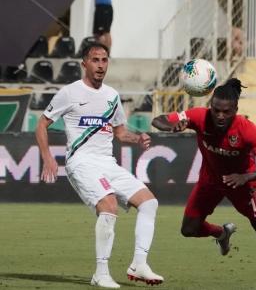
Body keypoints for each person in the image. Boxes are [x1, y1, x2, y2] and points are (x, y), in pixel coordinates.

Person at [151, 78, 256, 290]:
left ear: (236, 110)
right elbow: (158, 120)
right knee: (188, 229)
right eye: (216, 110)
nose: (220, 116)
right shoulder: (198, 116)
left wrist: (246, 177)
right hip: (210, 182)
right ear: (210, 107)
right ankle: (221, 233)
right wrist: (171, 125)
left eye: (226, 112)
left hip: (242, 184)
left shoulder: (247, 129)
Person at [35, 42, 163, 288]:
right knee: (109, 207)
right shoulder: (69, 93)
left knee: (149, 203)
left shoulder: (112, 95)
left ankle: (139, 263)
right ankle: (100, 273)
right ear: (84, 64)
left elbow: (120, 131)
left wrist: (138, 139)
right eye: (95, 60)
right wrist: (48, 156)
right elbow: (42, 124)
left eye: (104, 60)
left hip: (107, 162)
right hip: (81, 162)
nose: (101, 65)